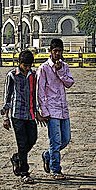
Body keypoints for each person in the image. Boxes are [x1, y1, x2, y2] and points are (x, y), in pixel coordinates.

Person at [1, 50, 41, 184]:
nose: (27, 68)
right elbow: (7, 97)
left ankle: (17, 157)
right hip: (17, 114)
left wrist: (37, 111)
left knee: (33, 138)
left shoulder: (33, 75)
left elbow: (34, 94)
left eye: (29, 65)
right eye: (25, 66)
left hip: (30, 113)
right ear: (19, 63)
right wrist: (5, 117)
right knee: (22, 143)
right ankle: (24, 172)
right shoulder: (12, 75)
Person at [37, 38, 74, 179]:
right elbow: (40, 91)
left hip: (63, 108)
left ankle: (47, 155)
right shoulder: (44, 68)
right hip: (51, 109)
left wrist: (60, 72)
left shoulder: (64, 66)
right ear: (50, 51)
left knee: (66, 139)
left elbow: (69, 83)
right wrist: (43, 110)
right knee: (55, 141)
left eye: (60, 51)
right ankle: (55, 169)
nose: (57, 54)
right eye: (55, 51)